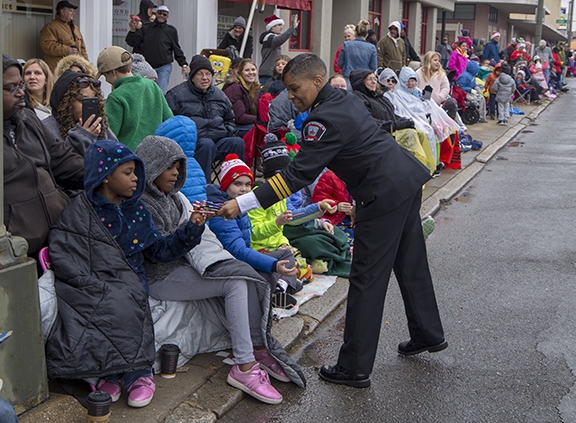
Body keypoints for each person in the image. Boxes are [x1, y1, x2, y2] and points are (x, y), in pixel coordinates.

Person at [218, 53, 447, 388]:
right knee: (411, 262)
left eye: (295, 88)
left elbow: (295, 175)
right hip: (406, 179)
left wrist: (242, 203)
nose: (291, 96)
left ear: (316, 81)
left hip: (381, 193)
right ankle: (428, 333)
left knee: (367, 277)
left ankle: (354, 367)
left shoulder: (320, 120)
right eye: (287, 90)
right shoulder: (343, 99)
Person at [134, 135, 304, 404]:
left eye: (179, 167)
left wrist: (197, 233)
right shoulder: (142, 204)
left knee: (244, 277)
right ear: (153, 166)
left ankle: (256, 349)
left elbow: (204, 243)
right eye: (170, 167)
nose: (176, 172)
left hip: (180, 267)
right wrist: (193, 229)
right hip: (160, 276)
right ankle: (246, 366)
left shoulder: (174, 198)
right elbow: (160, 252)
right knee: (236, 280)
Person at [45, 140, 208, 408]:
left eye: (136, 172)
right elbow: (65, 250)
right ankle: (110, 373)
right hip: (94, 282)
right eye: (128, 172)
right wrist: (90, 282)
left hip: (131, 281)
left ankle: (139, 373)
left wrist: (191, 228)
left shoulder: (136, 211)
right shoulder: (79, 210)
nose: (136, 179)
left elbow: (161, 250)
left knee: (128, 300)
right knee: (105, 303)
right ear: (105, 176)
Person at [3, 53, 84, 259]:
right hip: (18, 253)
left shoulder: (27, 118)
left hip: (61, 236)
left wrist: (103, 173)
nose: (21, 92)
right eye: (10, 88)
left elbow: (61, 158)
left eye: (20, 85)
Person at [206, 154, 301, 295]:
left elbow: (257, 236)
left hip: (247, 256)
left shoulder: (242, 207)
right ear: (225, 185)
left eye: (247, 184)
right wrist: (273, 265)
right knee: (277, 273)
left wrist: (282, 241)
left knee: (287, 259)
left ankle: (281, 287)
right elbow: (239, 251)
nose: (244, 189)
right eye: (237, 184)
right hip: (233, 263)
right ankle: (280, 288)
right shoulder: (223, 212)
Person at [166, 54, 245, 181]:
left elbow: (230, 118)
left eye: (208, 74)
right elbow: (170, 123)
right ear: (192, 77)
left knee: (237, 142)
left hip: (218, 140)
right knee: (206, 144)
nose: (205, 78)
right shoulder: (176, 95)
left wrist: (226, 131)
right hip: (193, 144)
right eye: (200, 74)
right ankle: (205, 186)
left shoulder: (220, 95)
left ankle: (237, 184)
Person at [97, 46, 173, 151]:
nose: (106, 79)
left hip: (130, 158)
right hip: (156, 153)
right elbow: (169, 119)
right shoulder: (152, 86)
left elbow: (109, 134)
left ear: (113, 72)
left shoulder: (116, 96)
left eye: (105, 75)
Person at [44, 70, 115, 156]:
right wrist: (82, 137)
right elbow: (61, 162)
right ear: (66, 102)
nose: (88, 107)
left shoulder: (100, 127)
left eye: (93, 101)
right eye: (82, 101)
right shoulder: (47, 129)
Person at [126, 5, 189, 94]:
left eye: (164, 14)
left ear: (167, 16)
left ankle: (159, 107)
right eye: (160, 13)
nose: (162, 16)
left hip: (164, 66)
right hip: (146, 67)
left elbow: (176, 48)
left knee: (161, 93)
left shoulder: (171, 30)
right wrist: (132, 31)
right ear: (156, 14)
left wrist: (183, 64)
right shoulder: (146, 27)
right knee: (144, 91)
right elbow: (133, 42)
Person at [39, 1, 88, 71]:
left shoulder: (75, 28)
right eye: (70, 11)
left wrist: (86, 64)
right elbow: (47, 46)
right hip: (57, 70)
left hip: (74, 70)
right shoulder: (50, 27)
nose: (73, 13)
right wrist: (67, 50)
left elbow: (83, 49)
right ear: (62, 11)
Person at [223, 58, 262, 136]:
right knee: (262, 129)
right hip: (234, 127)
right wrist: (262, 119)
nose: (251, 73)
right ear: (240, 73)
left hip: (249, 123)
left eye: (253, 69)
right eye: (247, 70)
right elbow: (240, 117)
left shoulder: (256, 88)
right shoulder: (234, 88)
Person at [259, 14, 299, 84]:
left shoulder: (271, 38)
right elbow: (280, 39)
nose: (282, 27)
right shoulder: (269, 37)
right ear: (272, 27)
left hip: (270, 74)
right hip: (268, 75)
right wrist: (292, 28)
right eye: (279, 25)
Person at [337, 20, 377, 89]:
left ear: (355, 33)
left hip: (348, 77)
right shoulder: (371, 47)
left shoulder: (346, 45)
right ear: (367, 35)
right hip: (364, 78)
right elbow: (373, 66)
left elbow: (340, 63)